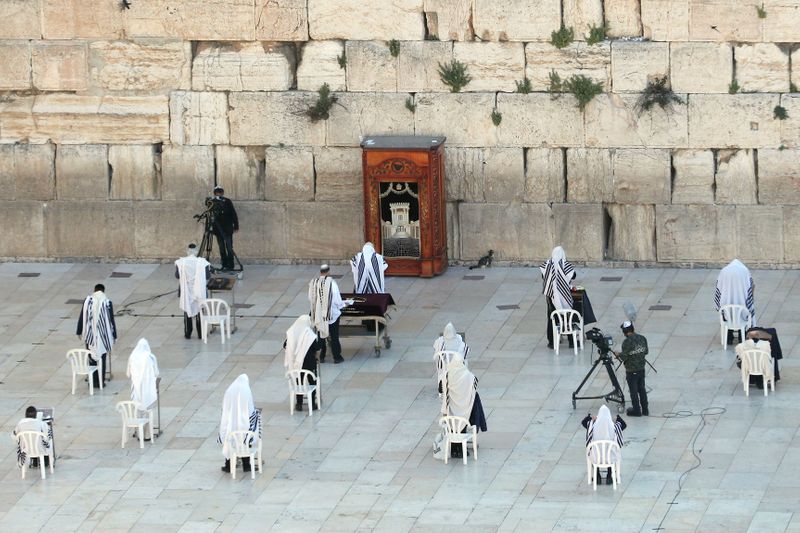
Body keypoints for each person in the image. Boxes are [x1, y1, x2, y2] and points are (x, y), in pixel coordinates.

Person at [442, 352, 487, 458]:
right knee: (465, 418)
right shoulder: (467, 375)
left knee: (453, 425)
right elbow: (474, 384)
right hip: (465, 410)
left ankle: (454, 448)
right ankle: (461, 449)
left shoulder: (447, 375)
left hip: (451, 409)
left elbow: (441, 389)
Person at [218, 374, 260, 474]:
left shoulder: (229, 390)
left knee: (229, 440)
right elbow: (250, 409)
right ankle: (246, 465)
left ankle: (228, 465)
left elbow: (224, 407)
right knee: (245, 440)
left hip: (230, 421)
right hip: (244, 421)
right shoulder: (246, 390)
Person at [76, 283, 117, 387]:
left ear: (94, 290)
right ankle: (100, 382)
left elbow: (83, 316)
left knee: (92, 357)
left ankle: (93, 381)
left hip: (90, 335)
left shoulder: (88, 301)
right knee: (102, 358)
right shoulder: (107, 302)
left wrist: (79, 330)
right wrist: (114, 334)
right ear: (103, 291)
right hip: (103, 335)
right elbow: (111, 320)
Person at [309, 264, 349, 364]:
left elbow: (311, 298)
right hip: (332, 315)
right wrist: (342, 305)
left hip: (319, 316)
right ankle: (337, 357)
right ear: (328, 272)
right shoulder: (332, 283)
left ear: (320, 272)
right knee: (334, 336)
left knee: (321, 334)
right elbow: (336, 300)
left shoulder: (314, 283)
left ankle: (322, 356)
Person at [540, 246, 576, 349]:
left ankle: (552, 342)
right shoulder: (565, 264)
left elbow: (543, 276)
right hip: (564, 295)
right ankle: (571, 342)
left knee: (552, 318)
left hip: (551, 295)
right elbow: (573, 275)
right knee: (568, 316)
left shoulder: (547, 264)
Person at [284, 315, 322, 412]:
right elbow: (317, 348)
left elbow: (285, 345)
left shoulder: (291, 333)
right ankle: (312, 404)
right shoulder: (309, 335)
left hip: (296, 365)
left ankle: (299, 404)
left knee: (298, 382)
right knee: (312, 382)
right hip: (309, 364)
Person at [581, 405, 626, 485]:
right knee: (611, 451)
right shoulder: (615, 427)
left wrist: (591, 417)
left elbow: (583, 422)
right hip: (610, 458)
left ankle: (597, 476)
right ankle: (609, 476)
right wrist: (616, 418)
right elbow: (624, 425)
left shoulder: (592, 427)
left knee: (593, 451)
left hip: (596, 458)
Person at [175, 243, 212, 339]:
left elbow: (177, 275)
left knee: (187, 311)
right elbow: (208, 276)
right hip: (199, 291)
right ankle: (201, 334)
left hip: (186, 290)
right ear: (196, 251)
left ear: (187, 251)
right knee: (200, 311)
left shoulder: (180, 262)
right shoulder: (202, 262)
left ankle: (188, 333)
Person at [715, 259, 755, 345]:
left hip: (726, 308)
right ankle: (742, 336)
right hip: (743, 307)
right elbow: (751, 286)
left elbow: (718, 287)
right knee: (745, 312)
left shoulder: (724, 271)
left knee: (726, 313)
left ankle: (729, 337)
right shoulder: (744, 271)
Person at [613, 321, 649, 417]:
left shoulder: (627, 342)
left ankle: (636, 411)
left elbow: (624, 357)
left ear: (625, 331)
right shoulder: (642, 338)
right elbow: (646, 352)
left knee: (634, 391)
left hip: (632, 371)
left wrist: (618, 354)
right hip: (642, 369)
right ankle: (645, 410)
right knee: (642, 389)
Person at [127, 338, 160, 439]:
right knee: (148, 412)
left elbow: (128, 374)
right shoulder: (150, 357)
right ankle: (146, 435)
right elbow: (156, 373)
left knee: (138, 410)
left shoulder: (132, 357)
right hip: (148, 391)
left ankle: (138, 432)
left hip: (136, 390)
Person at [211, 185, 239, 271]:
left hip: (227, 229)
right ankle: (224, 264)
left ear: (222, 192)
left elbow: (233, 213)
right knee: (222, 248)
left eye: (220, 192)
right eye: (217, 192)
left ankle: (231, 265)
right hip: (218, 229)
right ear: (215, 193)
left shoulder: (227, 201)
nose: (219, 193)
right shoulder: (212, 202)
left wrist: (236, 225)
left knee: (229, 247)